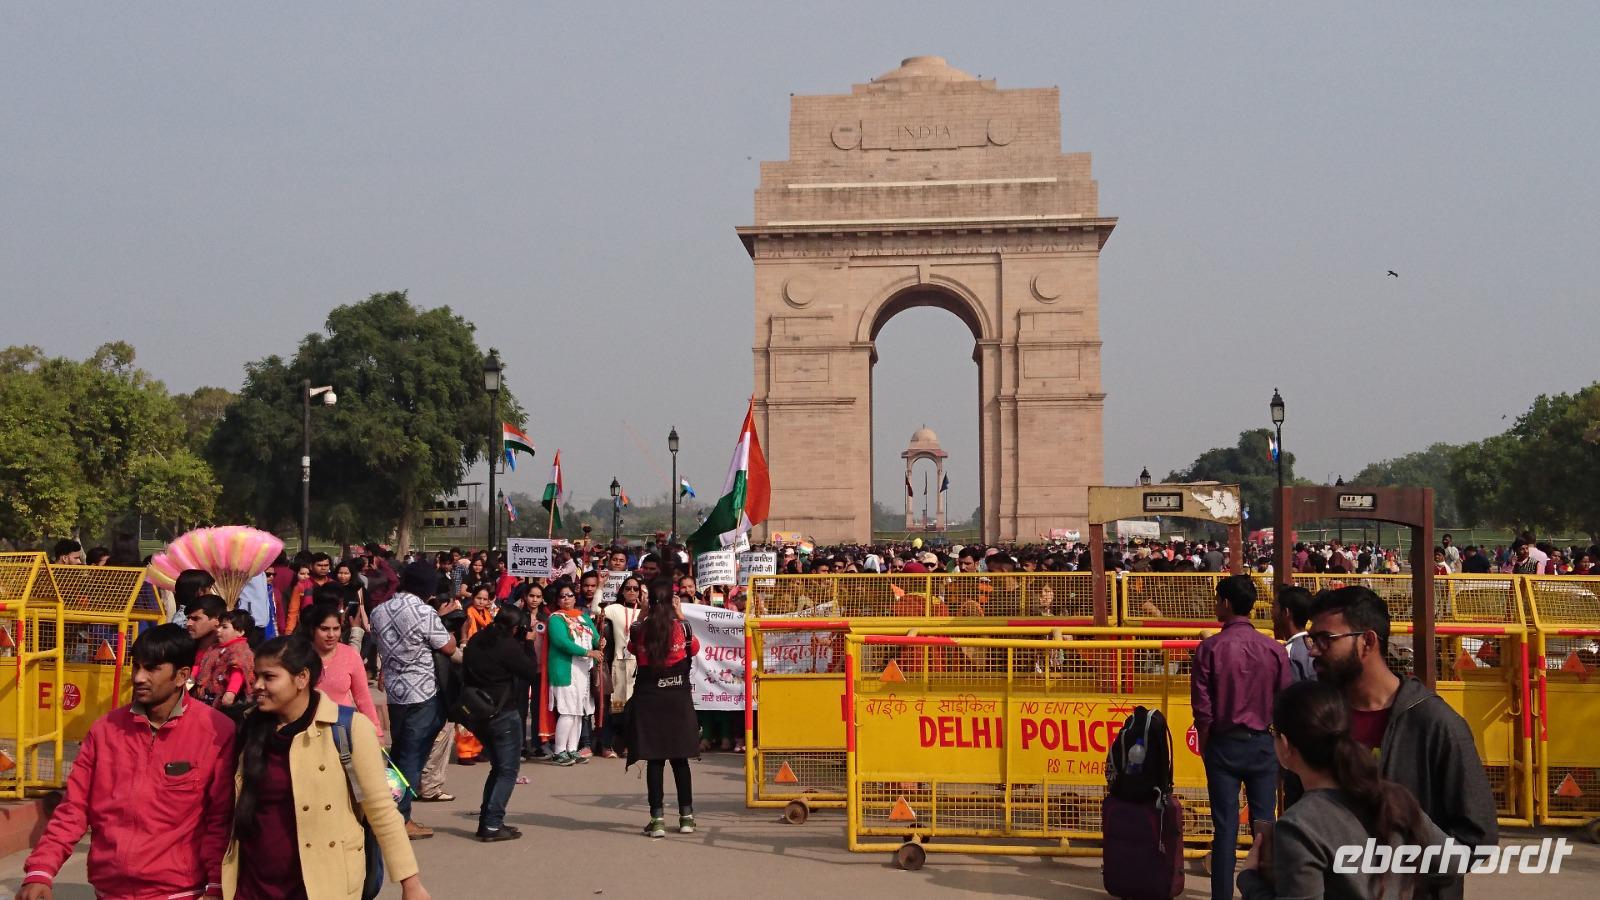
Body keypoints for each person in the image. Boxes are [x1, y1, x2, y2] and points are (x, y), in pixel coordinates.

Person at [1306, 586, 1498, 899]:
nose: (1314, 651)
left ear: (1367, 641)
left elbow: (1476, 840)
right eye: (1312, 640)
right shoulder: (1320, 721)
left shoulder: (1436, 724)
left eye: (1326, 639)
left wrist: (1397, 871)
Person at [20, 625, 236, 899]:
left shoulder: (216, 732)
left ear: (182, 676)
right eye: (136, 667)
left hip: (180, 892)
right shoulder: (105, 730)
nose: (139, 677)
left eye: (152, 669)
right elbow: (74, 807)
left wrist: (216, 885)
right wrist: (41, 870)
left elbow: (220, 820)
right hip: (109, 890)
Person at [224, 635, 432, 900]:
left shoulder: (348, 729)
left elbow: (381, 810)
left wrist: (410, 883)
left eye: (270, 677)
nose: (257, 686)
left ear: (302, 678)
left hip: (323, 884)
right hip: (253, 885)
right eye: (257, 676)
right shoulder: (248, 727)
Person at [1237, 680, 1447, 900]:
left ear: (1286, 745)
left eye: (1273, 732)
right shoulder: (1395, 801)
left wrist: (1250, 880)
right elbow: (1454, 861)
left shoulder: (1300, 826)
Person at [1191, 574, 1290, 900]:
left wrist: (1207, 740)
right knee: (1264, 826)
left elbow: (1202, 706)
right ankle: (1264, 892)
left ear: (1226, 603)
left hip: (1223, 743)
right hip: (1262, 744)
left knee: (1225, 828)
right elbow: (1285, 700)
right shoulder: (1274, 650)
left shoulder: (1210, 648)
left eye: (1217, 599)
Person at [370, 560, 459, 839]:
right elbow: (447, 646)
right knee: (411, 757)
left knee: (398, 755)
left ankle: (388, 811)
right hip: (423, 692)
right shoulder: (423, 611)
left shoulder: (379, 610)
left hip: (396, 692)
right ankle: (399, 818)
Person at [626, 579, 701, 838]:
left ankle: (657, 820)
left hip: (649, 703)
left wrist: (642, 613)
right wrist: (680, 614)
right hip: (678, 702)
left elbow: (631, 647)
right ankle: (686, 818)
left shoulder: (640, 630)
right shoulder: (683, 628)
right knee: (680, 760)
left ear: (650, 602)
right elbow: (695, 648)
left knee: (655, 760)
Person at [461, 606, 542, 840]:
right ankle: (492, 825)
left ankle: (487, 821)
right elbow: (530, 671)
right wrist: (528, 643)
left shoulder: (478, 639)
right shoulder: (507, 646)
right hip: (502, 712)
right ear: (515, 628)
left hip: (478, 709)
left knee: (498, 768)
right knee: (507, 770)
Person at [297, 599, 382, 736]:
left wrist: (377, 733)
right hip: (304, 730)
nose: (331, 635)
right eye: (324, 629)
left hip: (340, 729)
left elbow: (363, 698)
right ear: (313, 630)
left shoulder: (350, 655)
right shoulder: (299, 656)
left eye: (336, 629)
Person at [545, 582, 602, 766]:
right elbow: (562, 642)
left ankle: (572, 749)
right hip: (565, 669)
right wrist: (588, 652)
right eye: (562, 596)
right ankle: (559, 751)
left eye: (569, 595)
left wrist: (600, 641)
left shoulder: (583, 617)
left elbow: (595, 636)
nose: (567, 599)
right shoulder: (556, 619)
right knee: (568, 711)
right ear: (557, 600)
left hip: (583, 671)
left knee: (579, 712)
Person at [206, 609, 257, 711]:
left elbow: (238, 672)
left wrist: (231, 692)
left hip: (224, 700)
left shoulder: (240, 650)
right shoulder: (215, 648)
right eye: (219, 626)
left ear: (240, 632)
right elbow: (203, 665)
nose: (218, 630)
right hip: (209, 695)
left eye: (224, 627)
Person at [1273, 584, 1316, 683]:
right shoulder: (1316, 645)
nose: (1272, 611)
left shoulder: (1287, 653)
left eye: (1274, 606)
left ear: (1286, 612)